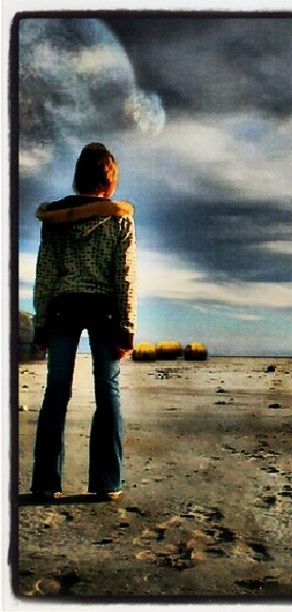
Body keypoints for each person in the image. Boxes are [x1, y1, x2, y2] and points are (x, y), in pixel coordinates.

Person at [30, 143, 136, 502]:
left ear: (78, 178)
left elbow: (45, 273)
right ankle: (107, 482)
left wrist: (40, 324)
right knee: (108, 391)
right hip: (104, 309)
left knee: (56, 391)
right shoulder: (120, 217)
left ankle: (46, 482)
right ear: (110, 183)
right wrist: (127, 327)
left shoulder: (55, 219)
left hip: (61, 307)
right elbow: (124, 276)